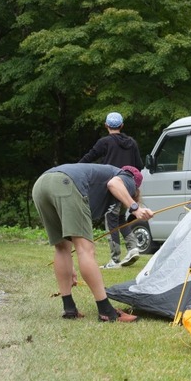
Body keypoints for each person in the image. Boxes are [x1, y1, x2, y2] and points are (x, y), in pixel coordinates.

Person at [32, 163, 154, 322]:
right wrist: (135, 208)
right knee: (86, 250)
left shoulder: (100, 180)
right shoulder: (128, 177)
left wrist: (70, 267)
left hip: (42, 184)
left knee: (62, 248)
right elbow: (114, 183)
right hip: (66, 183)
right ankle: (106, 311)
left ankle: (69, 309)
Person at [79, 111, 143, 269]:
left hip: (113, 186)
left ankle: (114, 260)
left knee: (111, 219)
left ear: (106, 126)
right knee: (120, 218)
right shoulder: (132, 143)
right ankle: (133, 247)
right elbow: (139, 166)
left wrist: (75, 169)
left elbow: (88, 159)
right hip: (129, 186)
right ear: (122, 126)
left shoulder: (104, 142)